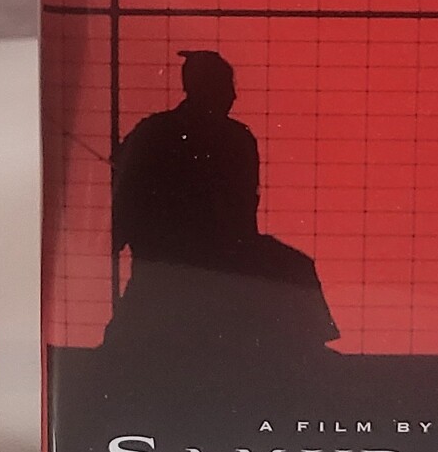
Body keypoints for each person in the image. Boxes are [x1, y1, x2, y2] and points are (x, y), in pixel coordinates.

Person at [105, 51, 337, 365]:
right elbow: (244, 205)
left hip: (168, 249)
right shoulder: (236, 138)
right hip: (208, 249)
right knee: (294, 267)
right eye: (227, 86)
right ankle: (305, 346)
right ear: (209, 88)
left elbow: (125, 186)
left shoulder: (153, 130)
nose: (233, 95)